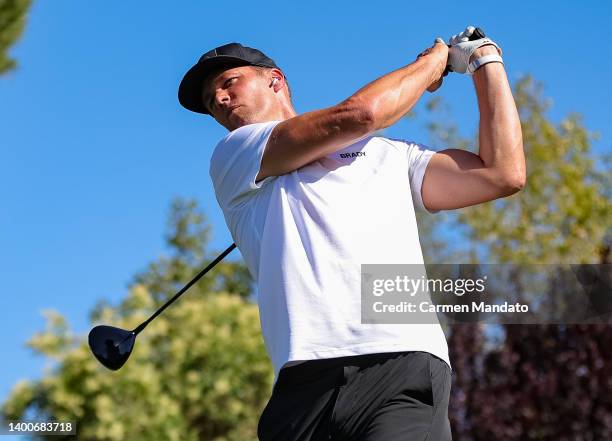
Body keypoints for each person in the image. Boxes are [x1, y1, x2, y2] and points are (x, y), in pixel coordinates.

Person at [178, 26, 524, 441]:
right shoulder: (235, 154)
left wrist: (485, 61)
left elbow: (500, 173)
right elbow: (361, 115)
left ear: (274, 79)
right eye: (209, 100)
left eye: (228, 82)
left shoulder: (389, 155)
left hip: (400, 366)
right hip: (303, 383)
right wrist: (432, 64)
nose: (218, 99)